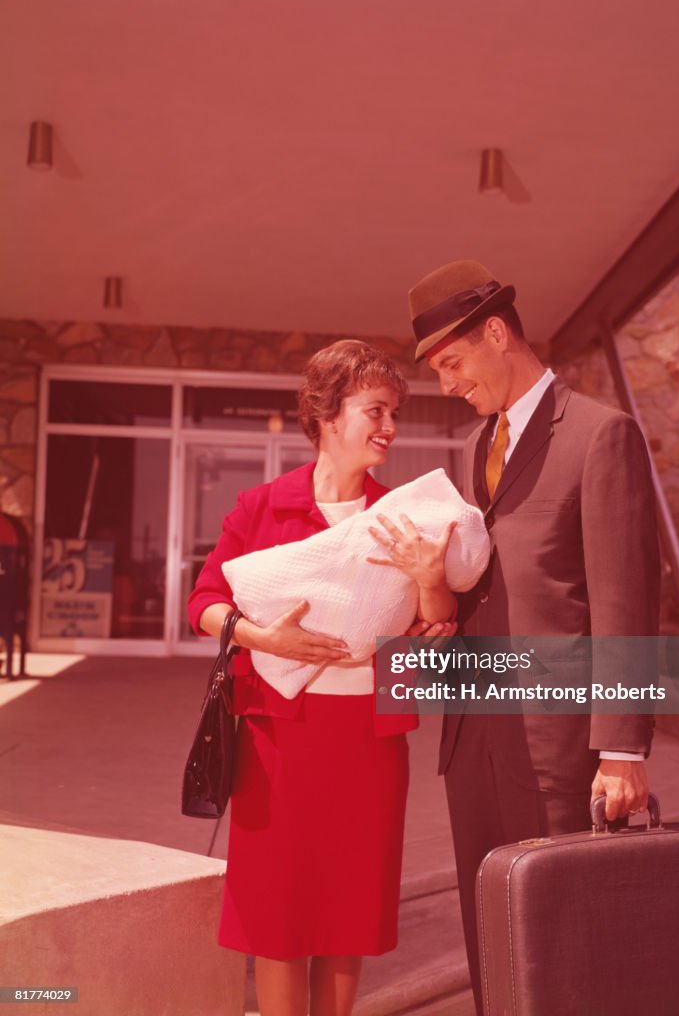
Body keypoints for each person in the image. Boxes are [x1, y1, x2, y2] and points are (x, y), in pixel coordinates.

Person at [406, 260, 661, 1014]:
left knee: (564, 942)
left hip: (558, 750)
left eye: (452, 362)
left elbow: (625, 601)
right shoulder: (482, 448)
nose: (448, 382)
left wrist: (623, 748)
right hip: (475, 737)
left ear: (496, 333)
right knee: (493, 939)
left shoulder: (599, 435)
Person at [187, 339, 456, 1016]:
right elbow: (203, 602)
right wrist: (259, 635)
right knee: (279, 919)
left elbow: (431, 636)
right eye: (376, 410)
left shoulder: (403, 519)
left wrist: (431, 589)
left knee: (347, 915)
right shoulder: (261, 506)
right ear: (329, 414)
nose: (389, 426)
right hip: (277, 743)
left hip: (367, 743)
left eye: (394, 411)